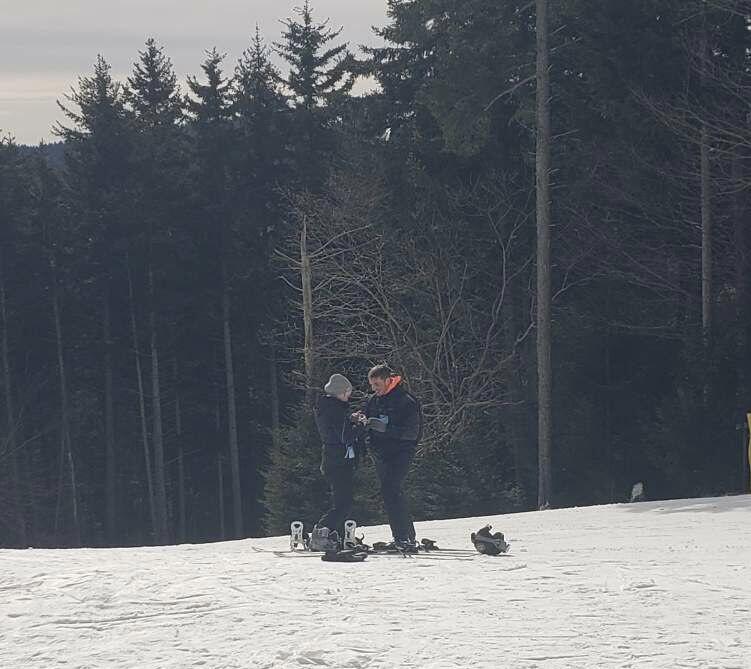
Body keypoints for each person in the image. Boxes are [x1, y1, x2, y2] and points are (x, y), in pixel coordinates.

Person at [359, 363, 421, 552]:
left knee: (391, 489)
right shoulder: (373, 400)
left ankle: (403, 537)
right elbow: (366, 417)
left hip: (401, 451)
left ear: (388, 381)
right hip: (381, 453)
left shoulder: (406, 401)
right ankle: (406, 535)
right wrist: (361, 420)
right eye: (372, 385)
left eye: (377, 384)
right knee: (391, 492)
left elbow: (412, 432)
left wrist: (386, 429)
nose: (374, 389)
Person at [311, 373, 363, 551]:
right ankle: (320, 532)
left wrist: (351, 420)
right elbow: (344, 436)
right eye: (347, 391)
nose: (348, 395)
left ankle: (335, 534)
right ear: (340, 392)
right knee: (344, 503)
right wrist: (361, 426)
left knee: (343, 501)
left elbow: (336, 429)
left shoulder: (328, 407)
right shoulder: (335, 409)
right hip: (338, 461)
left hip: (334, 460)